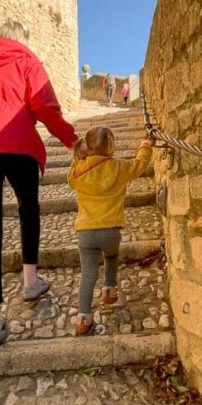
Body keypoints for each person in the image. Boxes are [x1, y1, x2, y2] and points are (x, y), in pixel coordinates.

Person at [0, 19, 78, 347]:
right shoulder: (27, 61)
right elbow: (45, 106)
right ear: (22, 39)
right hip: (19, 143)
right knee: (29, 209)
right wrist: (71, 140)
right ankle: (29, 281)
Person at [67, 127, 152, 335]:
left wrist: (78, 157)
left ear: (87, 146)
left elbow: (70, 179)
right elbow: (139, 165)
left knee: (88, 274)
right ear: (112, 146)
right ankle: (109, 291)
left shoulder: (78, 170)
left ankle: (83, 318)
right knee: (111, 258)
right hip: (110, 232)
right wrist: (145, 148)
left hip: (85, 233)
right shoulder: (118, 167)